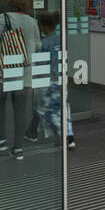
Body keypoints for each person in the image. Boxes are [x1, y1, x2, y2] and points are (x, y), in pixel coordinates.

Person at [0, 0, 41, 161]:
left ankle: (1, 139)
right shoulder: (32, 21)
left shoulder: (4, 18)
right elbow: (38, 46)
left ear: (11, 2)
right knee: (20, 110)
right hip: (26, 72)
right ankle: (18, 149)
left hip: (6, 71)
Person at [27, 12, 75, 149]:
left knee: (45, 109)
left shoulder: (42, 43)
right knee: (64, 108)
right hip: (60, 79)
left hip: (47, 81)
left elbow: (39, 64)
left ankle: (62, 138)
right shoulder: (61, 40)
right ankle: (69, 136)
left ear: (42, 26)